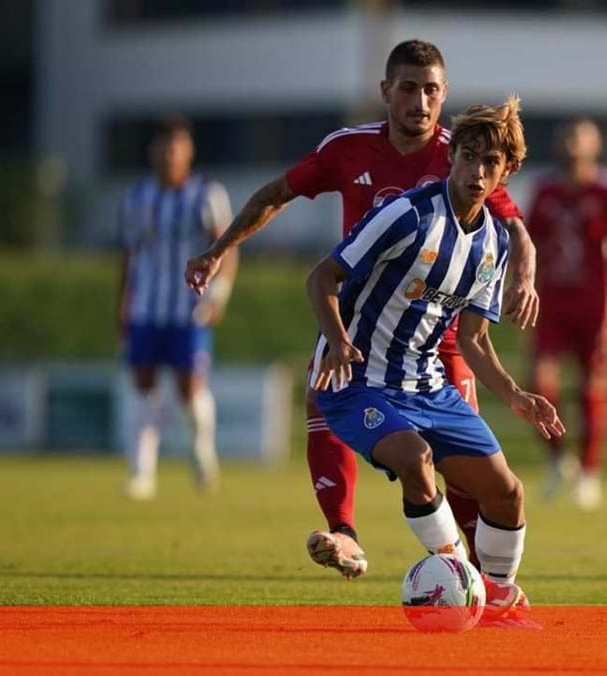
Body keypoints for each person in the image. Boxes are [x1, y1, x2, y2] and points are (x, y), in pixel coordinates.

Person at [184, 40, 539, 578]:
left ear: (444, 97)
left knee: (469, 474)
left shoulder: (464, 153)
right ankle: (347, 533)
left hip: (441, 336)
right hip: (359, 321)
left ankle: (480, 582)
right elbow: (278, 194)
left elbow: (512, 229)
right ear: (386, 92)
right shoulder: (349, 150)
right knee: (323, 399)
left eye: (432, 91)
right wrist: (219, 249)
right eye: (409, 89)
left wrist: (524, 279)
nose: (420, 101)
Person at [306, 95, 562, 622]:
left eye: (490, 163)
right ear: (453, 158)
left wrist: (515, 395)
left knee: (507, 494)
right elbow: (321, 278)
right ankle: (456, 577)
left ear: (505, 174)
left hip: (428, 385)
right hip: (357, 382)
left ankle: (496, 598)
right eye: (468, 156)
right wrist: (335, 340)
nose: (476, 170)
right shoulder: (406, 215)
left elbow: (473, 341)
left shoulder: (493, 242)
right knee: (416, 458)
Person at [525, 118, 607, 510]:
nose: (574, 144)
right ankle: (561, 459)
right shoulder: (544, 191)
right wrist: (519, 289)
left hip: (597, 305)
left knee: (591, 387)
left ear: (596, 145)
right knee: (537, 382)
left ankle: (590, 474)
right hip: (553, 302)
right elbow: (528, 245)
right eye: (569, 136)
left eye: (582, 137)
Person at [117, 116, 236, 500]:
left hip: (189, 308)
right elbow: (128, 257)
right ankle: (142, 472)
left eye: (177, 147)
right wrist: (122, 306)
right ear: (153, 151)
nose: (170, 155)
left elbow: (227, 248)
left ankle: (202, 455)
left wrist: (218, 295)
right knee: (142, 385)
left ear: (189, 151)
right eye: (163, 147)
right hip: (147, 309)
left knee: (189, 389)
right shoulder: (137, 197)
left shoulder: (207, 195)